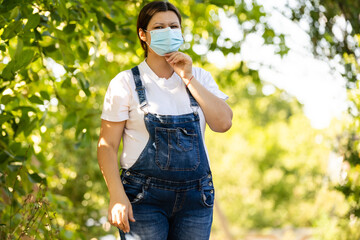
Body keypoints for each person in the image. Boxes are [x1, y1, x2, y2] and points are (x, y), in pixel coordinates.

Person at [97, 1, 233, 239]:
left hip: (196, 199)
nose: (167, 32)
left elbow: (223, 123)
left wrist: (188, 78)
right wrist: (116, 195)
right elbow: (107, 146)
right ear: (143, 34)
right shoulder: (125, 82)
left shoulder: (200, 76)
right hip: (143, 199)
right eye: (158, 27)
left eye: (173, 26)